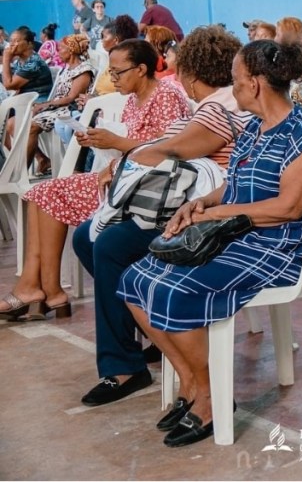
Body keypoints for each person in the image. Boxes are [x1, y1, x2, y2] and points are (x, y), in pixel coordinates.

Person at [116, 39, 302, 447]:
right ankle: (194, 383)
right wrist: (200, 204)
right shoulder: (252, 128)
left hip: (277, 247)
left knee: (172, 289)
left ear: (255, 84)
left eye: (235, 82)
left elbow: (290, 207)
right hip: (236, 234)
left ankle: (213, 399)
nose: (231, 89)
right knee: (134, 281)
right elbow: (234, 187)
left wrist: (217, 215)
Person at [71, 26, 249, 408]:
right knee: (87, 238)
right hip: (190, 201)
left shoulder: (218, 108)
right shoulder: (215, 104)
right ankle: (146, 334)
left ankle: (124, 366)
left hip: (202, 211)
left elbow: (168, 151)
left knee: (108, 244)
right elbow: (164, 147)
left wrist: (127, 159)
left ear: (190, 72)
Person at [0, 39, 191, 321]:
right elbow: (132, 143)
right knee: (39, 194)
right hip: (123, 174)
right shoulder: (134, 100)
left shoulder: (165, 96)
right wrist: (99, 140)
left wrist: (115, 143)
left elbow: (169, 148)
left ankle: (44, 291)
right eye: (111, 72)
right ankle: (42, 287)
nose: (112, 78)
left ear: (140, 69)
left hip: (144, 188)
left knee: (48, 194)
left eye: (118, 72)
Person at [27, 34, 95, 173]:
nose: (58, 52)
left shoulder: (83, 70)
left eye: (61, 48)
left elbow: (70, 98)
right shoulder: (66, 69)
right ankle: (42, 159)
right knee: (23, 121)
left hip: (67, 109)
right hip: (58, 107)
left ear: (70, 50)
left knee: (31, 127)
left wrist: (44, 105)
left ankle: (22, 170)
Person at [90, 15, 140, 96]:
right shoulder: (113, 60)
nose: (102, 41)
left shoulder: (125, 65)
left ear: (116, 40)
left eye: (104, 37)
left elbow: (121, 96)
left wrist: (93, 101)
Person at [1, 26, 53, 102]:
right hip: (25, 98)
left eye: (16, 41)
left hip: (37, 101)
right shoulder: (21, 60)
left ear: (29, 44)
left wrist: (6, 58)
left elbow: (9, 85)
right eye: (11, 41)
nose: (11, 44)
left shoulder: (33, 63)